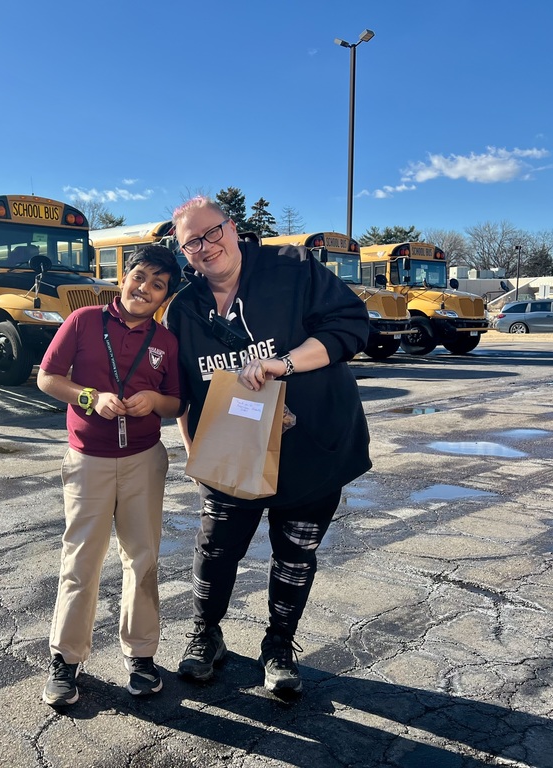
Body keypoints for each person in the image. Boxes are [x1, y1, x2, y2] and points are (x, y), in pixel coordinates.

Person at [163, 196, 372, 695]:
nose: (206, 246)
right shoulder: (184, 310)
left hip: (311, 449)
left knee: (295, 554)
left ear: (233, 228)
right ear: (184, 252)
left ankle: (278, 646)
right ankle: (206, 635)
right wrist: (194, 452)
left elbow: (350, 326)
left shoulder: (293, 269)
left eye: (213, 232)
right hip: (229, 455)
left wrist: (285, 364)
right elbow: (184, 392)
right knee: (215, 550)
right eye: (192, 242)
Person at [37, 245, 184, 707]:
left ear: (165, 297)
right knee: (81, 560)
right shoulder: (83, 321)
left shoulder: (166, 341)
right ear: (124, 276)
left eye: (157, 285)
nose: (144, 289)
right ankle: (65, 660)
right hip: (89, 460)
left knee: (142, 559)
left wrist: (153, 402)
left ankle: (140, 655)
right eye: (139, 276)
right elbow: (47, 377)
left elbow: (177, 401)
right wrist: (89, 398)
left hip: (144, 460)